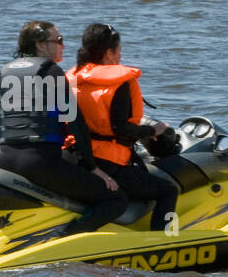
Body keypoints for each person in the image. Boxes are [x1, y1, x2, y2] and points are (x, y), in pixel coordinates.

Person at [0, 20, 128, 236]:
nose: (63, 46)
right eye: (58, 40)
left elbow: (1, 122)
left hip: (5, 160)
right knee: (115, 198)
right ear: (40, 45)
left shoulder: (5, 72)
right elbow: (75, 123)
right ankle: (68, 239)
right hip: (40, 162)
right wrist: (93, 167)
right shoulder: (51, 71)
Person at [66, 23, 179, 232]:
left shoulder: (72, 78)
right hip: (109, 164)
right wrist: (153, 131)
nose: (120, 56)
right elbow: (121, 129)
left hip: (78, 158)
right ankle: (165, 241)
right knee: (168, 190)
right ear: (109, 53)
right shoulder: (119, 82)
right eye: (119, 50)